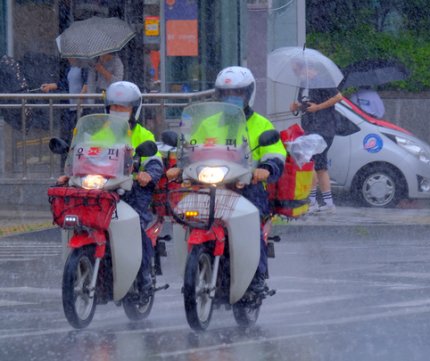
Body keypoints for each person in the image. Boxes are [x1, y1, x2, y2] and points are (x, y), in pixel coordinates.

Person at [166, 66, 287, 296]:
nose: (233, 98)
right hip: (209, 185)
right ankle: (191, 269)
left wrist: (265, 168)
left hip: (246, 187)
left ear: (248, 94)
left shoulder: (262, 124)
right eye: (227, 93)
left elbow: (276, 153)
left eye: (239, 93)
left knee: (255, 226)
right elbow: (190, 148)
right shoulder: (208, 123)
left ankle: (257, 278)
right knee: (185, 216)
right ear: (219, 95)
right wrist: (178, 167)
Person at [58, 81, 163, 297]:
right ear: (107, 108)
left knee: (138, 227)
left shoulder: (144, 135)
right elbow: (82, 155)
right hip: (103, 189)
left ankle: (143, 278)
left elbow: (155, 162)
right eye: (114, 107)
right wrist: (69, 174)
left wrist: (147, 174)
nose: (118, 112)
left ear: (134, 109)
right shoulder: (98, 133)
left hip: (132, 191)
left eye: (123, 108)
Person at [289, 66, 343, 213]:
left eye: (298, 70)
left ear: (309, 68)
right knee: (320, 166)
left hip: (323, 128)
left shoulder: (322, 80)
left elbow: (338, 97)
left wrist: (318, 107)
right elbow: (307, 105)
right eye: (296, 72)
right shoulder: (303, 85)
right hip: (310, 128)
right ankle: (328, 202)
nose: (298, 74)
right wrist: (298, 107)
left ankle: (311, 201)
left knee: (309, 162)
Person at [41, 58, 88, 167]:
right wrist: (49, 86)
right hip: (71, 107)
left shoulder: (84, 68)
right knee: (69, 135)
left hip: (80, 107)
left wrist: (81, 97)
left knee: (79, 136)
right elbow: (63, 83)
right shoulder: (70, 69)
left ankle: (79, 162)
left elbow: (86, 85)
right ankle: (69, 162)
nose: (69, 58)